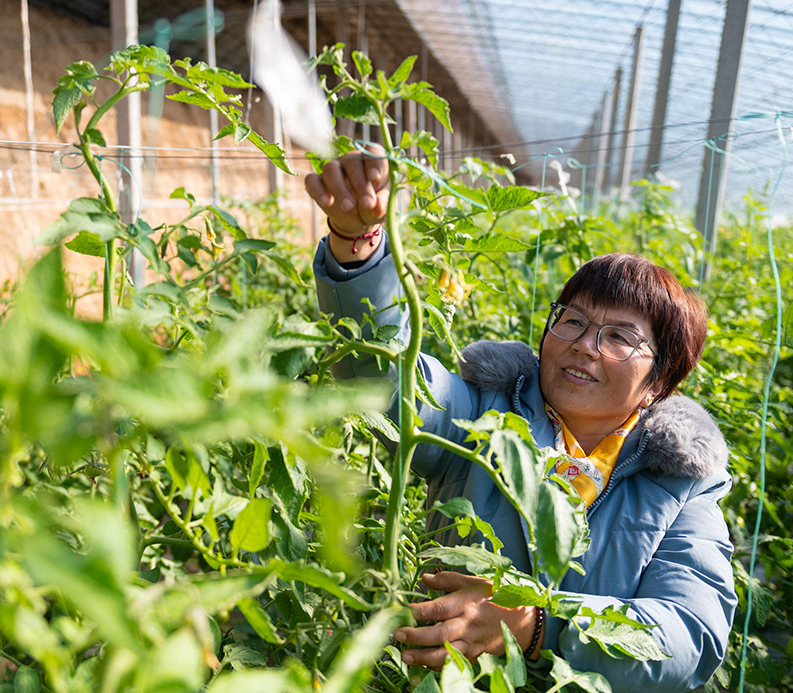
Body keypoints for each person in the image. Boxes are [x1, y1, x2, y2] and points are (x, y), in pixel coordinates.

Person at [305, 152, 736, 692]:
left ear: (660, 381)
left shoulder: (682, 486)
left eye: (620, 338)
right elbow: (387, 379)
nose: (584, 346)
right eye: (572, 321)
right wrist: (359, 246)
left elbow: (690, 636)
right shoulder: (486, 413)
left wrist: (536, 627)